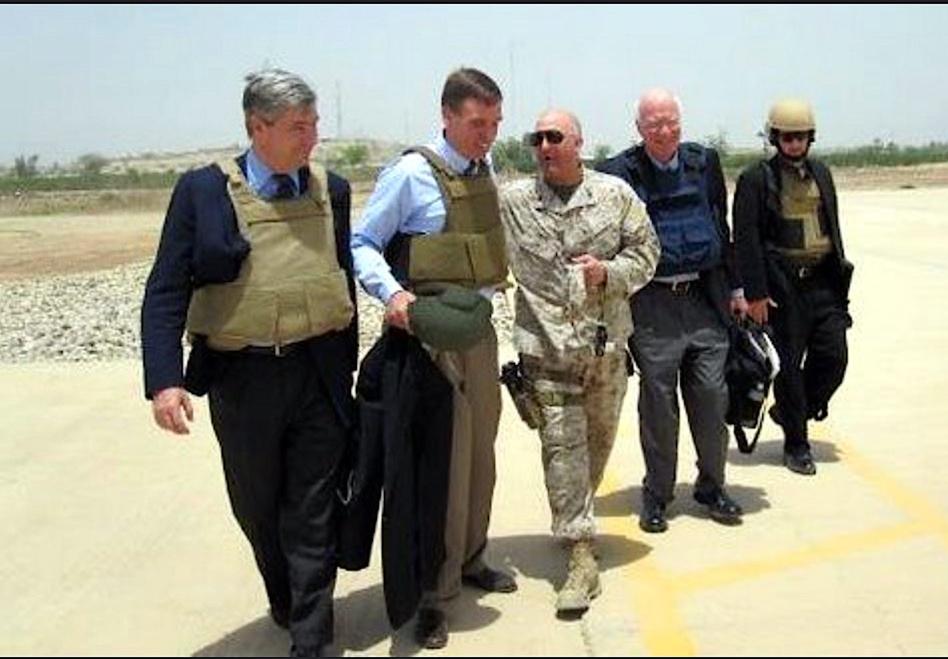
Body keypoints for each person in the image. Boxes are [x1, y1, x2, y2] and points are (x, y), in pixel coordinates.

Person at [141, 69, 358, 658]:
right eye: (297, 127)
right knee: (258, 506)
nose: (311, 138)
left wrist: (348, 368)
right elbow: (165, 289)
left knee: (313, 509)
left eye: (314, 124)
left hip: (317, 371)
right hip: (243, 378)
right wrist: (164, 382)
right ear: (256, 127)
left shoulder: (330, 189)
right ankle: (286, 599)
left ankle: (311, 638)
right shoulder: (202, 192)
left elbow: (340, 276)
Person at [350, 67, 515, 650]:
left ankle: (471, 559)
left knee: (480, 460)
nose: (488, 135)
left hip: (481, 336)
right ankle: (433, 595)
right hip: (431, 344)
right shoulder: (412, 174)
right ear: (446, 115)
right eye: (477, 124)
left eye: (495, 124)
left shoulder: (485, 170)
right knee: (440, 471)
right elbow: (362, 243)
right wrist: (393, 297)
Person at [500, 109, 660, 613]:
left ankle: (578, 516)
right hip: (546, 353)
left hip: (605, 351)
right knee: (562, 451)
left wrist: (607, 273)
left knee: (597, 445)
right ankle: (581, 557)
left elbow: (648, 253)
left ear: (578, 142)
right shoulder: (514, 202)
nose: (544, 146)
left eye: (555, 137)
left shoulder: (615, 196)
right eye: (537, 138)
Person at [596, 88, 747, 534]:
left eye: (670, 122)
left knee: (711, 397)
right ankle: (658, 494)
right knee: (659, 404)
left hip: (704, 299)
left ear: (681, 123)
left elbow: (721, 224)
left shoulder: (704, 163)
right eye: (653, 124)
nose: (664, 131)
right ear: (639, 129)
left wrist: (737, 287)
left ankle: (712, 486)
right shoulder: (618, 173)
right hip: (651, 306)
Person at [732, 98, 853, 476]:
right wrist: (755, 294)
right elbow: (746, 238)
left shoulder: (822, 173)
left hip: (823, 284)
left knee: (834, 358)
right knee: (788, 369)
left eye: (800, 137)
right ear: (775, 137)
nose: (794, 144)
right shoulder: (756, 179)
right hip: (782, 290)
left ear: (810, 138)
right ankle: (797, 445)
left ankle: (790, 411)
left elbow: (831, 224)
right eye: (787, 137)